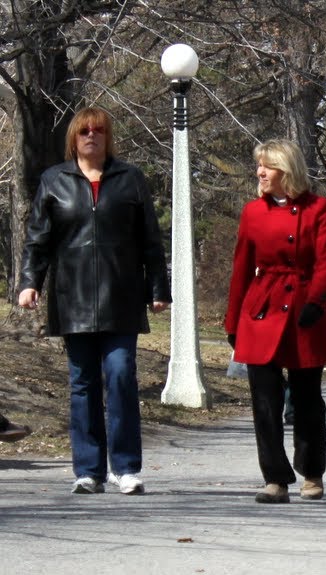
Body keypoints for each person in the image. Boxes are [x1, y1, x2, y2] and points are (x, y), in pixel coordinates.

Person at [17, 107, 171, 495]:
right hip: (74, 298)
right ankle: (88, 470)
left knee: (120, 376)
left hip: (121, 296)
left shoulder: (130, 179)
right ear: (74, 138)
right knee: (82, 383)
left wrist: (158, 289)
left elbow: (151, 241)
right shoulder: (54, 180)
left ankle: (126, 468)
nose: (91, 136)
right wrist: (29, 282)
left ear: (108, 137)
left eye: (98, 130)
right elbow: (38, 240)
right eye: (84, 131)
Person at [224, 139, 326, 504]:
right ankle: (274, 478)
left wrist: (317, 301)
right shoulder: (252, 213)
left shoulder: (318, 208)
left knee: (308, 399)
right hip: (262, 309)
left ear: (286, 171)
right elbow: (242, 266)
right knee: (264, 399)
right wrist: (233, 321)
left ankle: (312, 472)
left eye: (267, 166)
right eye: (259, 166)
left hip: (304, 311)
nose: (260, 172)